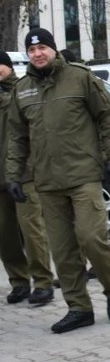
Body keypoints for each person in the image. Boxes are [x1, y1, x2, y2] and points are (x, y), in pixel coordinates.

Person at [5, 28, 110, 333]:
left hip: (83, 174)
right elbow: (16, 138)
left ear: (54, 49)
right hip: (46, 181)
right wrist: (13, 176)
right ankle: (79, 308)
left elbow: (107, 116)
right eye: (32, 51)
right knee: (62, 249)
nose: (37, 54)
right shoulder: (23, 89)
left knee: (91, 237)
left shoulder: (80, 77)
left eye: (42, 48)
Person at [0, 51, 54, 306]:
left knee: (32, 232)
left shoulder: (23, 91)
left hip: (24, 175)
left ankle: (43, 282)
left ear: (9, 67)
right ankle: (19, 282)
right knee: (6, 236)